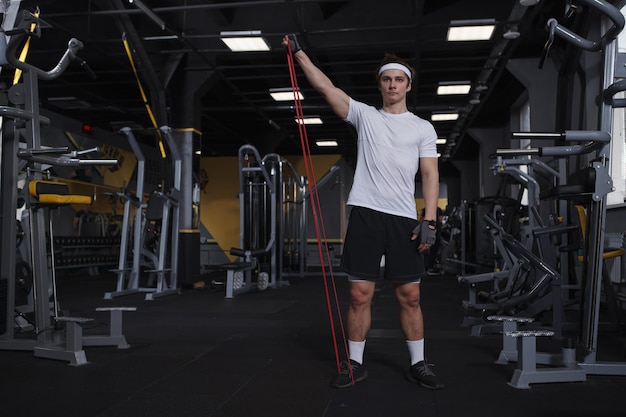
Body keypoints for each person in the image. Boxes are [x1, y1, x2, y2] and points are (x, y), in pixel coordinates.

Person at [282, 35, 443, 390]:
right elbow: (325, 87)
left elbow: (430, 174)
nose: (392, 85)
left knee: (411, 296)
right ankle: (354, 362)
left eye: (399, 79)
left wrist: (430, 219)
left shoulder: (422, 128)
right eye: (387, 79)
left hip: (403, 219)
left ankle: (418, 363)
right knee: (359, 295)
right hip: (366, 215)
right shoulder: (365, 116)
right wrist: (299, 52)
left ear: (408, 85)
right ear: (380, 85)